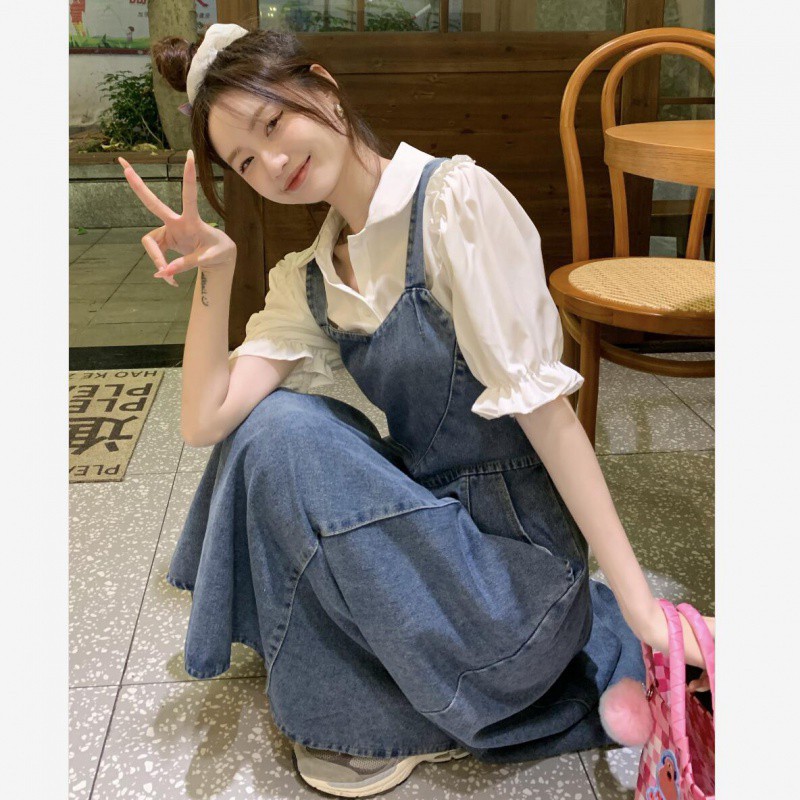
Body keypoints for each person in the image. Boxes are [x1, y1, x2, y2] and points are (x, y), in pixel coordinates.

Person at [119, 23, 713, 798]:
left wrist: (643, 611)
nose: (273, 162)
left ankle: (406, 702)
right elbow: (206, 422)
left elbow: (549, 418)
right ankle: (404, 680)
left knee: (286, 433)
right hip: (435, 551)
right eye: (245, 162)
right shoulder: (312, 276)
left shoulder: (453, 204)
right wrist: (216, 272)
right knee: (273, 425)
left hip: (515, 590)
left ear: (324, 88)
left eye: (273, 122)